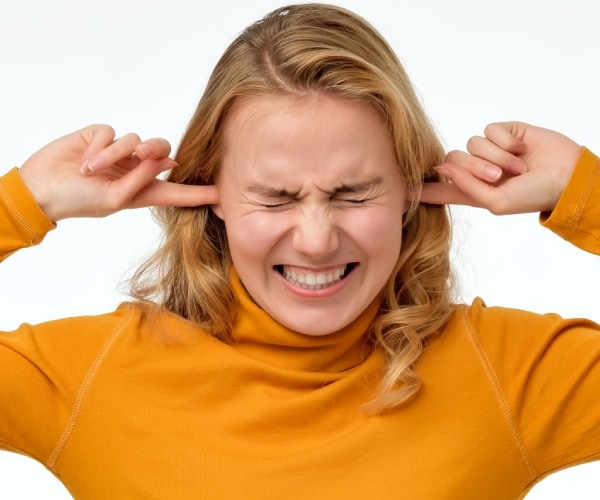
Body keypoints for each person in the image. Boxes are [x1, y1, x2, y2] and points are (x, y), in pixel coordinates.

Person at [1, 3, 599, 499]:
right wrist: (23, 202)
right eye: (274, 197)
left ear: (412, 191)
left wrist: (586, 193)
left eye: (354, 193)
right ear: (208, 194)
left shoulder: (512, 375)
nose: (316, 240)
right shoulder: (87, 377)